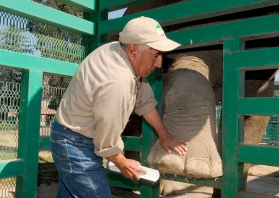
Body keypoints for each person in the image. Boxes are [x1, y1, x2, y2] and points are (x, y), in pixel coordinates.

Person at [50, 16, 188, 198]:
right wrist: (121, 161)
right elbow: (106, 139)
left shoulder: (124, 57)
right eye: (155, 55)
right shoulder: (117, 80)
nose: (159, 63)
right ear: (133, 51)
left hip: (77, 137)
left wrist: (164, 134)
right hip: (74, 143)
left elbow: (145, 101)